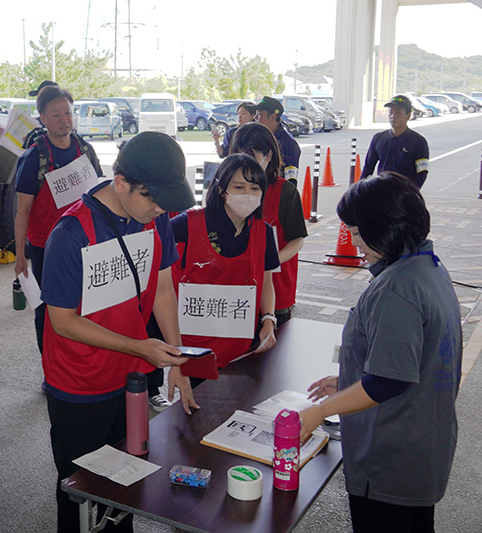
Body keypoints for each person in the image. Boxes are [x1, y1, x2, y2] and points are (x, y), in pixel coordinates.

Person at [41, 131, 199, 532]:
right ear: (121, 183)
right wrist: (141, 347)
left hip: (130, 377)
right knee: (79, 487)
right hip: (80, 383)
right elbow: (63, 321)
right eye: (152, 198)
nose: (160, 209)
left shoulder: (154, 219)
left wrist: (176, 358)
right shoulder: (72, 233)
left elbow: (164, 287)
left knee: (127, 479)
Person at [300, 173, 461, 533]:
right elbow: (411, 356)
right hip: (421, 445)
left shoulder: (396, 288)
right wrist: (348, 380)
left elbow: (388, 380)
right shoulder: (427, 266)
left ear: (383, 226)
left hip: (391, 456)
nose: (355, 243)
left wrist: (319, 412)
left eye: (357, 232)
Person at [171, 153, 279, 380]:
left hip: (242, 345)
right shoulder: (186, 224)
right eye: (239, 187)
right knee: (196, 409)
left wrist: (268, 318)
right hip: (196, 346)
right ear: (222, 189)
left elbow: (267, 280)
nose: (248, 195)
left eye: (255, 188)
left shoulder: (265, 232)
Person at [14, 85, 103, 353]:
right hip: (46, 247)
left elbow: (98, 196)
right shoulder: (34, 157)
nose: (64, 120)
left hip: (83, 242)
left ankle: (80, 356)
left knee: (84, 303)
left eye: (68, 113)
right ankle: (50, 365)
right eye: (56, 115)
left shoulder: (84, 149)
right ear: (41, 117)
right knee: (48, 308)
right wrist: (20, 255)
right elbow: (23, 211)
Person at [229, 122, 307, 326]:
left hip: (276, 291)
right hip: (234, 289)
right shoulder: (225, 189)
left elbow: (297, 240)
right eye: (238, 157)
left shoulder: (285, 192)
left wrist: (268, 263)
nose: (244, 165)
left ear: (269, 156)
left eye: (252, 157)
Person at [360, 95, 429, 188]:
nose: (393, 116)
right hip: (382, 190)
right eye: (390, 112)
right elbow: (368, 168)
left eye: (398, 113)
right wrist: (360, 190)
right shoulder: (378, 138)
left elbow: (422, 172)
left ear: (408, 115)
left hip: (405, 194)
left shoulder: (418, 141)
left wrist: (411, 192)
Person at [248, 96, 301, 184]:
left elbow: (290, 181)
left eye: (260, 114)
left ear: (273, 117)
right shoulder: (257, 136)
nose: (255, 117)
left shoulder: (288, 144)